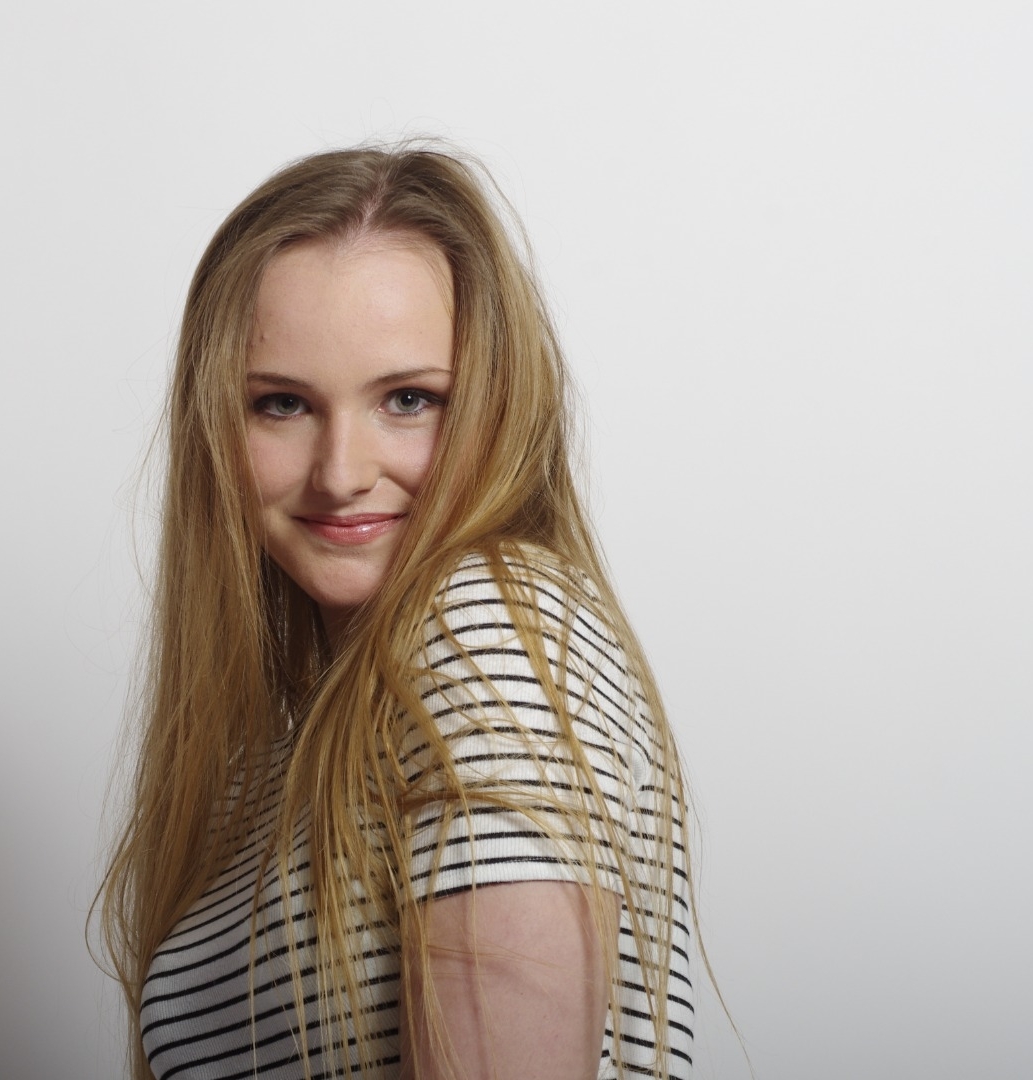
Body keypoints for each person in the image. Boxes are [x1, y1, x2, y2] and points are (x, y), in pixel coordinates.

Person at [97, 145, 696, 1080]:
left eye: (409, 399)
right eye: (282, 404)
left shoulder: (489, 635)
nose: (341, 472)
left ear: (498, 404)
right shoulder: (308, 741)